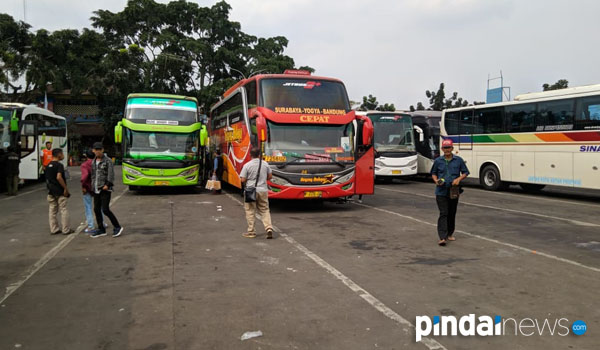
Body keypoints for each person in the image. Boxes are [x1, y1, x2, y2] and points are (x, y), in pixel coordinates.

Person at [430, 139, 469, 246]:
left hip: (454, 191)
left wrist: (458, 179)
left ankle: (450, 233)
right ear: (442, 149)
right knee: (444, 213)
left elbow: (466, 172)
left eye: (449, 148)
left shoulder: (458, 160)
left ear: (452, 148)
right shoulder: (438, 161)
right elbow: (433, 173)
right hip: (441, 191)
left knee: (452, 213)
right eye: (445, 148)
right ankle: (442, 237)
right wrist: (436, 181)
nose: (447, 150)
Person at [90, 142, 123, 238]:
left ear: (103, 150)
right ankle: (101, 229)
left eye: (99, 149)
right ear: (93, 150)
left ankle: (117, 226)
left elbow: (111, 174)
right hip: (96, 188)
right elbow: (93, 175)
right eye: (96, 150)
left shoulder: (107, 161)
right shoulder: (93, 161)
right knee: (96, 209)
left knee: (105, 209)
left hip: (105, 188)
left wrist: (107, 185)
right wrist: (92, 186)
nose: (98, 151)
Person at [240, 146, 273, 239]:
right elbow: (270, 176)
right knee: (265, 209)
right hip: (263, 190)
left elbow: (242, 180)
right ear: (259, 155)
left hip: (251, 191)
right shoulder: (265, 164)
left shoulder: (247, 165)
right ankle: (269, 228)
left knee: (250, 211)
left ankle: (251, 232)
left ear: (250, 155)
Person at [45, 148, 72, 235]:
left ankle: (54, 229)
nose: (63, 156)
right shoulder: (59, 165)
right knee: (63, 210)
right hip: (60, 191)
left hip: (51, 191)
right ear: (59, 154)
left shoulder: (48, 165)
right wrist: (65, 188)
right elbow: (59, 177)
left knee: (52, 211)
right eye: (62, 154)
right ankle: (65, 229)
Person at [80, 149, 99, 233]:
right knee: (99, 206)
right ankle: (101, 223)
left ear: (86, 156)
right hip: (98, 186)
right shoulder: (97, 163)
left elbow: (84, 176)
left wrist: (83, 185)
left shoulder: (84, 165)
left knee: (88, 207)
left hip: (88, 187)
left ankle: (91, 225)